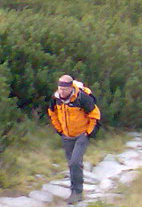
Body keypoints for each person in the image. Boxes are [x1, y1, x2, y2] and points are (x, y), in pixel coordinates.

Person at [47, 74, 101, 204]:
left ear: (71, 87)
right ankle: (74, 192)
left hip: (81, 135)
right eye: (60, 88)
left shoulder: (82, 98)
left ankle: (77, 192)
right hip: (66, 136)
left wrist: (88, 133)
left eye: (64, 89)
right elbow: (52, 113)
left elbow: (95, 115)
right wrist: (59, 130)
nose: (62, 91)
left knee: (75, 163)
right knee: (72, 165)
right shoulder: (56, 99)